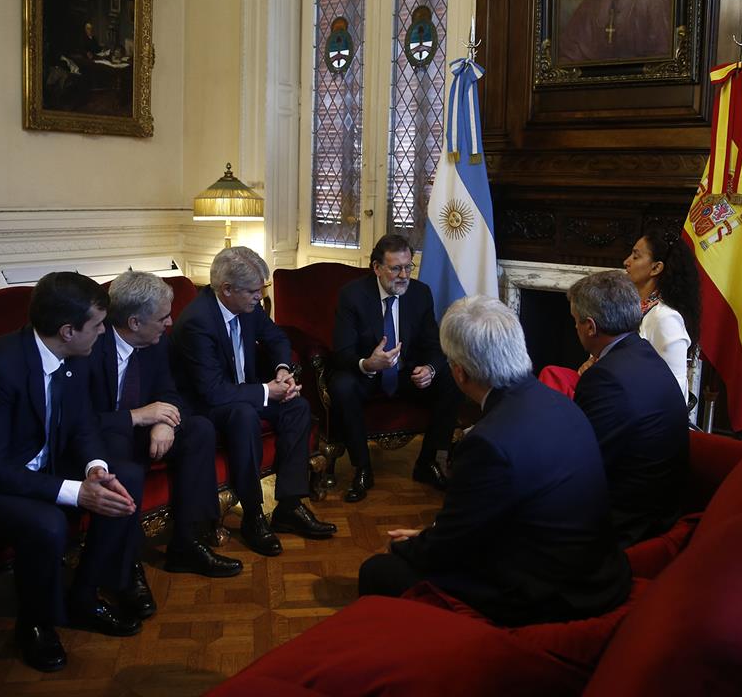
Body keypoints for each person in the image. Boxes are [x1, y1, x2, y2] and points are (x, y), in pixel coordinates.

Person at [0, 272, 149, 673]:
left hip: (33, 466)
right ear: (68, 330)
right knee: (46, 521)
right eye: (97, 325)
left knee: (126, 476)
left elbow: (83, 425)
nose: (104, 333)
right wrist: (77, 492)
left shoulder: (73, 358)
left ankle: (85, 595)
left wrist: (95, 470)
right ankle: (36, 624)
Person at [358, 295, 631, 626]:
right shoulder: (562, 404)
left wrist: (408, 546)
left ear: (458, 373)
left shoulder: (486, 443)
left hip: (551, 598)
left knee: (378, 571)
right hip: (598, 573)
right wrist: (432, 533)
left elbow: (449, 548)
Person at [171, 246, 336, 557]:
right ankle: (253, 515)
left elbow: (276, 338)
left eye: (262, 290)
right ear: (226, 289)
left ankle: (289, 505)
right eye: (252, 291)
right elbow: (212, 392)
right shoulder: (198, 322)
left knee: (297, 407)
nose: (259, 298)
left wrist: (282, 370)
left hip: (243, 393)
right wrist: (266, 391)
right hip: (205, 406)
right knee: (244, 415)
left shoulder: (247, 307)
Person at [87, 271, 242, 579]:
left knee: (198, 430)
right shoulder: (90, 345)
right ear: (134, 323)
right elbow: (80, 421)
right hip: (104, 435)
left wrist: (166, 422)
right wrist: (140, 416)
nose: (170, 323)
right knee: (121, 455)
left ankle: (188, 544)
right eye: (162, 318)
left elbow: (169, 391)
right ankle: (128, 568)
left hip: (145, 430)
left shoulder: (155, 342)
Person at [329, 234, 462, 502]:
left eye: (408, 267)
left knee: (452, 378)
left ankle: (427, 463)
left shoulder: (420, 293)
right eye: (395, 268)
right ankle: (362, 468)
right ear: (377, 268)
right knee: (341, 385)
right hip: (366, 375)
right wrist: (367, 363)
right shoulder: (352, 296)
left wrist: (430, 369)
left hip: (404, 374)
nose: (403, 275)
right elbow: (342, 352)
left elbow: (434, 345)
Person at [569, 271, 689, 548]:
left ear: (590, 326)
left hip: (627, 525)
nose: (575, 329)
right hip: (661, 508)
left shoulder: (604, 378)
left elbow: (582, 463)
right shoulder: (646, 353)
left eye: (575, 322)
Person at [623, 226, 701, 398]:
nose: (626, 262)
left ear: (656, 268)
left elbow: (675, 393)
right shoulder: (629, 307)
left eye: (636, 256)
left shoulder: (666, 319)